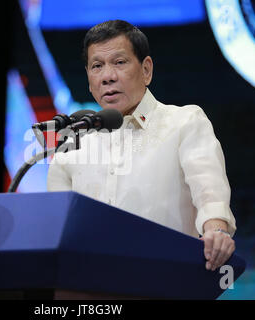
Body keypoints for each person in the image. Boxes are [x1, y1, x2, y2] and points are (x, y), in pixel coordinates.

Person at [47, 20, 236, 272]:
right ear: (89, 79)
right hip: (90, 288)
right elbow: (54, 227)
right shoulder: (73, 144)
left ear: (146, 70)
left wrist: (216, 231)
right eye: (97, 66)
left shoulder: (185, 122)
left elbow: (209, 192)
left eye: (119, 62)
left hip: (168, 278)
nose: (107, 77)